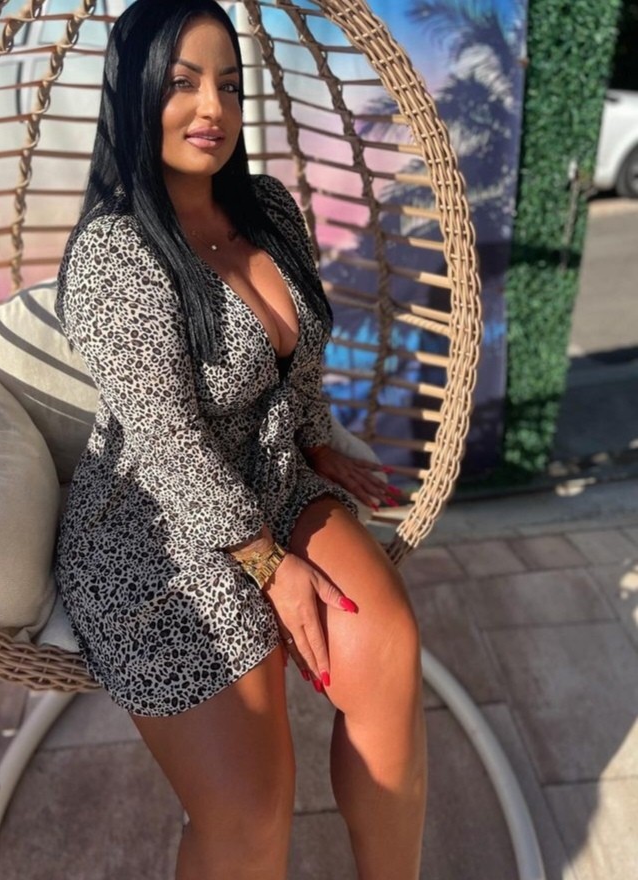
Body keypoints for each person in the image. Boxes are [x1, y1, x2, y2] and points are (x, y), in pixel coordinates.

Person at [54, 0, 426, 877]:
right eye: (182, 84)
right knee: (252, 812)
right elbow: (167, 441)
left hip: (270, 476)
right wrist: (268, 565)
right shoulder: (114, 253)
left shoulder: (264, 207)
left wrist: (316, 438)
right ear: (135, 92)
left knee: (388, 653)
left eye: (228, 84)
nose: (210, 108)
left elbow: (298, 356)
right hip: (151, 533)